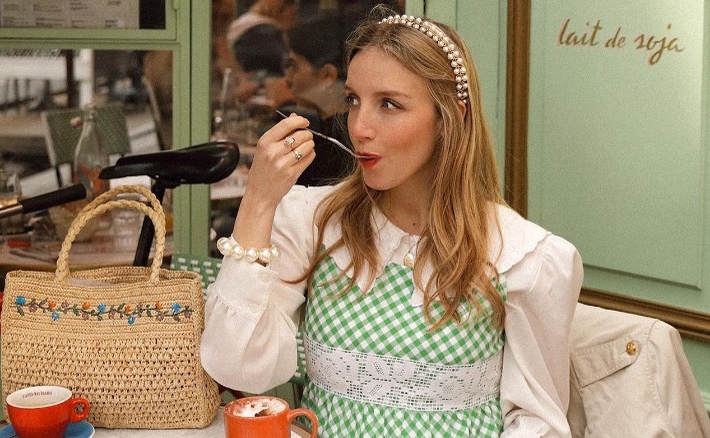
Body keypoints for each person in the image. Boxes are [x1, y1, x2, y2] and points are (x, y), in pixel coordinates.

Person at [200, 6, 583, 437]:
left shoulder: (522, 255)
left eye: (389, 104)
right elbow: (237, 367)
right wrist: (258, 202)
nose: (359, 127)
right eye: (353, 100)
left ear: (450, 117)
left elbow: (538, 423)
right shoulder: (313, 221)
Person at [279, 10, 356, 186]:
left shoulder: (332, 152)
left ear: (327, 76)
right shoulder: (331, 130)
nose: (287, 79)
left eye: (294, 66)